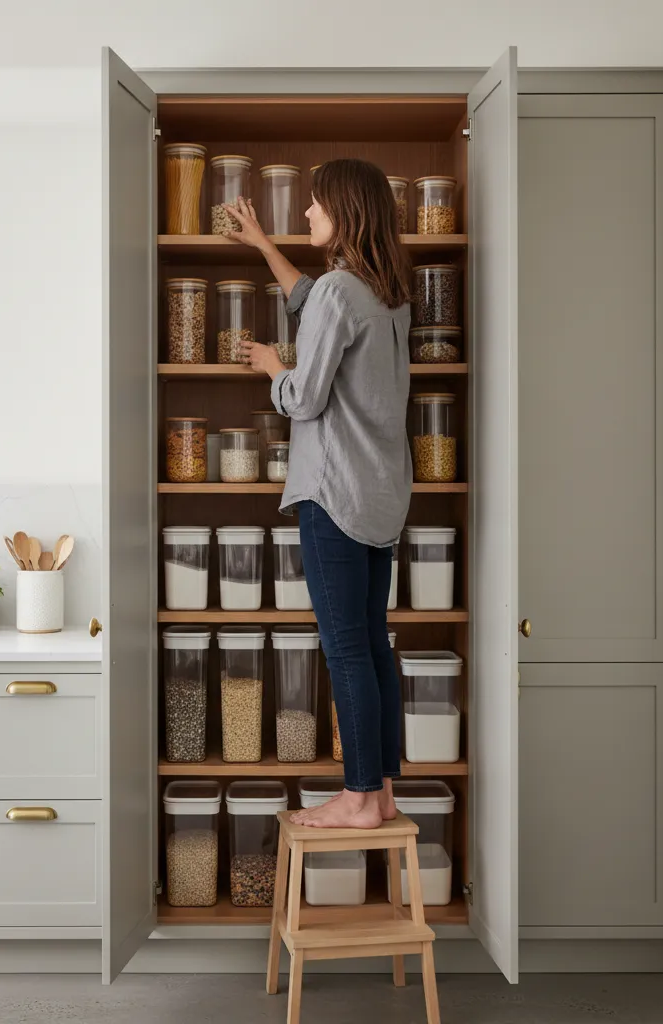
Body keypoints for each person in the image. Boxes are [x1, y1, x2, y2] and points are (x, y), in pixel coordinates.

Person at [223, 159, 412, 829]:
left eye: (314, 205)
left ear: (345, 212)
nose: (306, 214)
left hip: (334, 494)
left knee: (347, 651)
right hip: (381, 498)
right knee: (372, 642)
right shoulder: (386, 294)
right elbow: (314, 304)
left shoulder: (339, 291)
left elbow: (304, 398)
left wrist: (274, 368)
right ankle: (383, 791)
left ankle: (358, 798)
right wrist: (264, 245)